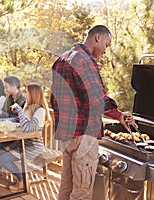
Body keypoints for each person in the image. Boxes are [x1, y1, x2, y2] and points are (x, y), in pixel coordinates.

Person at [50, 25, 134, 200]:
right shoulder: (84, 61)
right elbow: (96, 99)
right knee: (82, 192)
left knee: (66, 185)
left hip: (66, 135)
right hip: (84, 137)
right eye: (106, 44)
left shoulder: (61, 60)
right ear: (97, 37)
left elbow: (54, 100)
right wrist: (119, 115)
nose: (105, 50)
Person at [0, 83, 51, 191]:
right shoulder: (29, 107)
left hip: (33, 146)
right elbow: (18, 120)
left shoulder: (40, 111)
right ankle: (20, 177)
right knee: (1, 149)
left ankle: (22, 180)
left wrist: (18, 108)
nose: (25, 94)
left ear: (33, 94)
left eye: (27, 92)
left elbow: (27, 128)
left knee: (3, 159)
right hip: (23, 143)